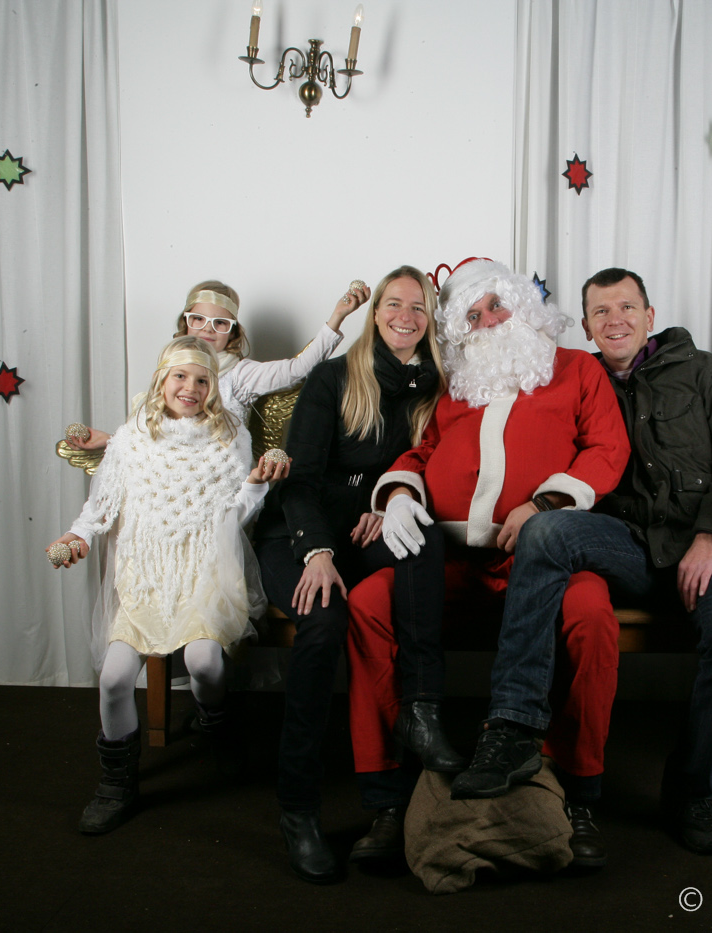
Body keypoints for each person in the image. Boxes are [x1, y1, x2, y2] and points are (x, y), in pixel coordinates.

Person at [450, 267, 712, 857]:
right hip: (629, 543)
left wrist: (710, 536)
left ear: (650, 316)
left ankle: (691, 787)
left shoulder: (705, 372)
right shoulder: (575, 374)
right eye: (601, 311)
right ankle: (514, 724)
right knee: (546, 531)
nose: (615, 320)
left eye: (626, 307)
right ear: (587, 326)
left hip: (709, 545)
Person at [345, 259, 630, 868]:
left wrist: (547, 503)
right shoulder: (456, 387)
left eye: (497, 305)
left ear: (523, 306)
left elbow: (607, 448)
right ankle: (387, 793)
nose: (489, 321)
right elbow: (423, 452)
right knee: (368, 604)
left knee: (590, 615)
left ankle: (578, 790)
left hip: (542, 563)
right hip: (452, 564)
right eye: (472, 316)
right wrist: (400, 493)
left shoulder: (576, 370)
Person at [46, 336, 290, 835]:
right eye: (180, 376)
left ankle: (216, 720)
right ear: (162, 380)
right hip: (147, 573)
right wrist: (77, 536)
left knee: (204, 661)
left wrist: (257, 484)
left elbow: (237, 514)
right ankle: (117, 783)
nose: (190, 387)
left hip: (206, 571)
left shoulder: (230, 435)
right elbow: (101, 504)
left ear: (213, 387)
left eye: (202, 379)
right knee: (114, 678)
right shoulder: (132, 437)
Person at [252, 266, 446, 884]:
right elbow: (300, 480)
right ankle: (298, 809)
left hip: (366, 531)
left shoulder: (436, 386)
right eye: (394, 304)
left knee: (424, 541)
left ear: (430, 319)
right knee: (324, 621)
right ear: (376, 311)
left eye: (418, 307)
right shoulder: (335, 377)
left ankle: (421, 710)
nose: (405, 316)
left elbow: (427, 470)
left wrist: (388, 504)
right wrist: (316, 551)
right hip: (300, 533)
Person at [68, 278, 368, 454]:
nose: (207, 330)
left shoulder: (240, 375)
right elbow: (153, 437)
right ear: (185, 324)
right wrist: (110, 441)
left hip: (219, 484)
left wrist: (338, 316)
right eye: (198, 319)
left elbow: (297, 369)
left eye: (220, 323)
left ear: (233, 331)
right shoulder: (172, 371)